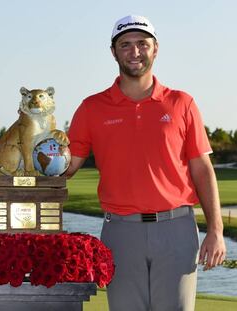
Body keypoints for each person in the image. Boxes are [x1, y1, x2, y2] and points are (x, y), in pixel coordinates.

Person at [66, 15, 226, 311]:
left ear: (156, 48)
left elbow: (202, 169)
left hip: (176, 228)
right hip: (121, 232)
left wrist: (215, 230)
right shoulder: (91, 108)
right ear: (113, 52)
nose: (135, 51)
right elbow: (67, 166)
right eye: (125, 45)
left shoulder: (182, 103)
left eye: (142, 43)